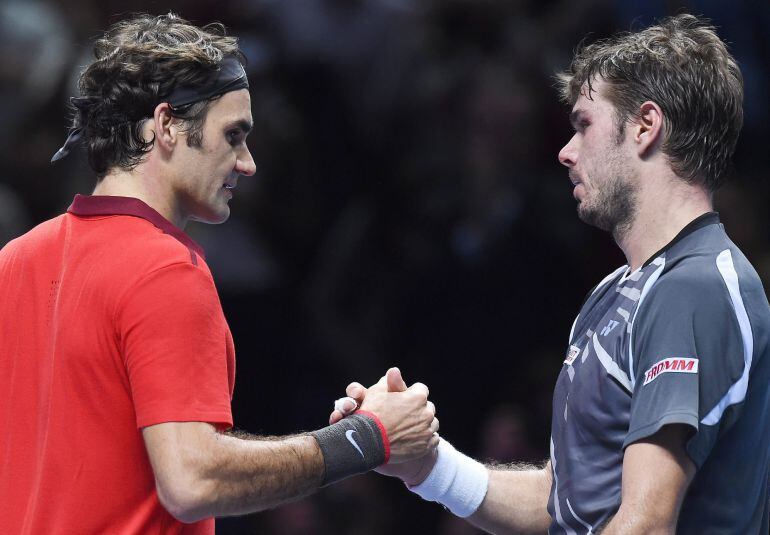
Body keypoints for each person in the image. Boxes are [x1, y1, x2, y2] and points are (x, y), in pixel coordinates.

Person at [0, 13, 439, 534]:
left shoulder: (14, 260)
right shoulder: (165, 269)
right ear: (165, 126)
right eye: (233, 135)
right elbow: (193, 480)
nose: (248, 163)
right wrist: (366, 439)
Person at [333, 14, 770, 534]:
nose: (565, 151)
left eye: (584, 125)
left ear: (645, 126)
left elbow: (646, 524)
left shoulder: (694, 287)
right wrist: (425, 465)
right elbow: (561, 500)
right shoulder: (613, 295)